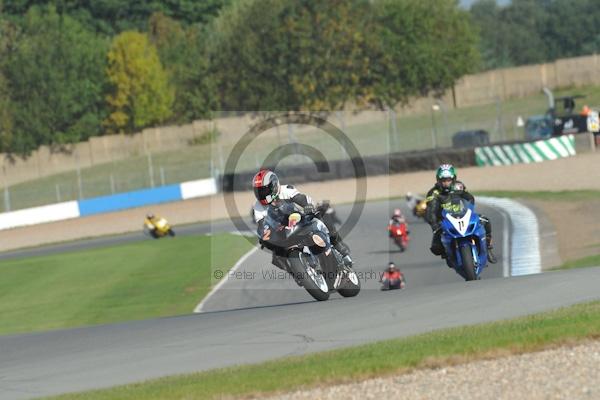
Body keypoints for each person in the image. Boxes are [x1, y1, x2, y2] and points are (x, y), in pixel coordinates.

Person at [252, 169, 353, 272]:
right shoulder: (257, 206)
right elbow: (262, 225)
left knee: (322, 216)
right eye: (259, 191)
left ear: (274, 185)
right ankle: (297, 274)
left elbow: (300, 198)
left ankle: (338, 246)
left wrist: (307, 206)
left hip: (299, 219)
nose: (262, 194)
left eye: (264, 190)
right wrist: (265, 235)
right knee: (277, 257)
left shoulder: (286, 190)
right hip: (281, 230)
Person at [425, 164, 497, 264]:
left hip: (463, 216)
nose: (446, 183)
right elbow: (430, 211)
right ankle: (448, 255)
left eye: (448, 180)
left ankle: (488, 247)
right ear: (438, 180)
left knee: (486, 221)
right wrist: (435, 225)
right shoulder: (433, 193)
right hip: (444, 222)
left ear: (453, 179)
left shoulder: (459, 186)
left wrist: (470, 210)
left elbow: (469, 198)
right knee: (435, 248)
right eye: (443, 181)